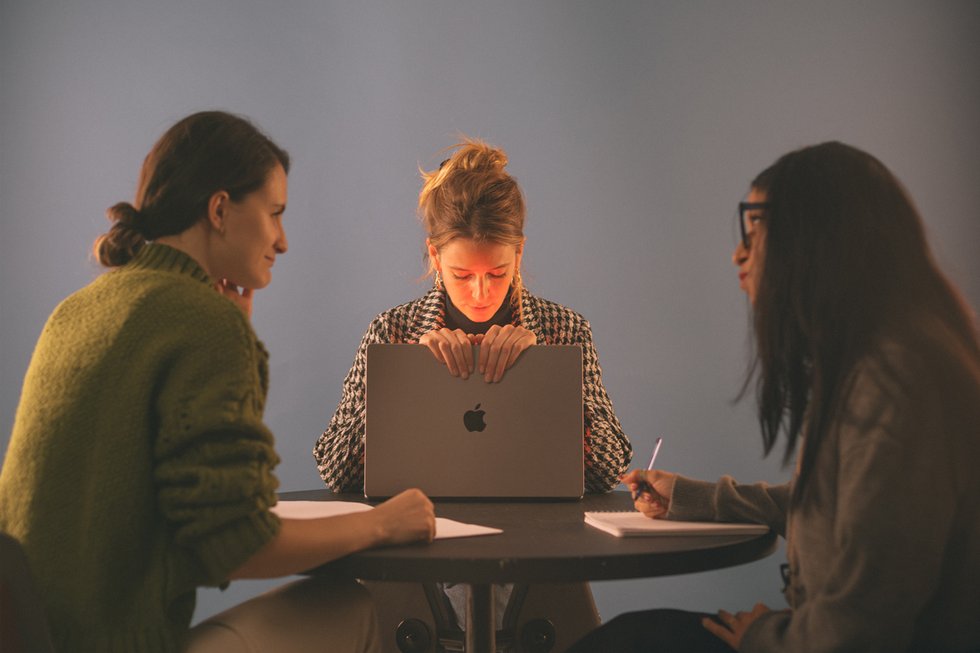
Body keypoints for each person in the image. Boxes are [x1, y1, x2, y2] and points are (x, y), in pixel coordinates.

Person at [0, 111, 436, 653]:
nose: (281, 240)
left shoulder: (79, 310)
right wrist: (382, 525)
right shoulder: (202, 323)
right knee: (347, 604)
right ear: (221, 209)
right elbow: (236, 544)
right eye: (275, 213)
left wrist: (235, 337)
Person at [568, 142, 980, 652]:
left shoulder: (895, 384)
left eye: (756, 231)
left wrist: (764, 635)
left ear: (818, 241)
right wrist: (691, 496)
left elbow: (864, 626)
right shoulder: (888, 363)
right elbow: (837, 511)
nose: (739, 253)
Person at [313, 136, 633, 628]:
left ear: (519, 256)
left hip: (536, 564)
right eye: (462, 275)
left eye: (497, 273)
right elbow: (335, 471)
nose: (481, 292)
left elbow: (609, 470)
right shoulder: (393, 332)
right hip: (417, 564)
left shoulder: (563, 330)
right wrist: (405, 380)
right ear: (434, 257)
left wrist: (545, 374)